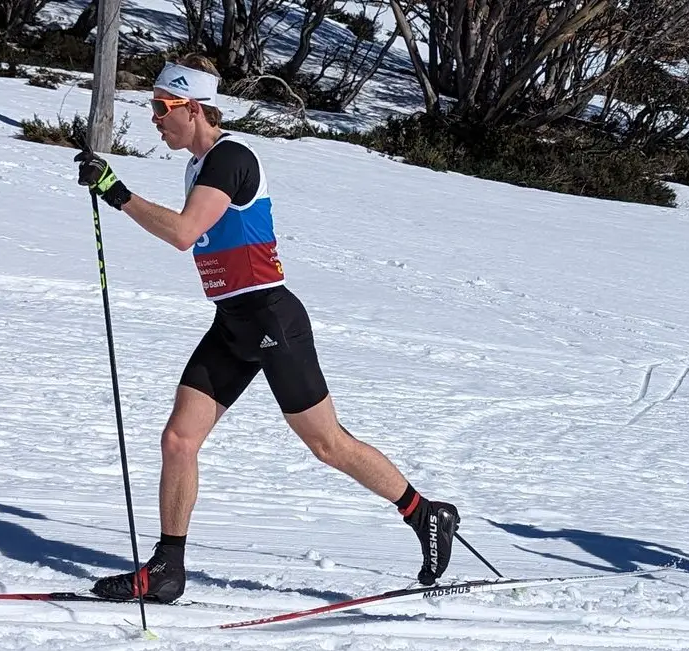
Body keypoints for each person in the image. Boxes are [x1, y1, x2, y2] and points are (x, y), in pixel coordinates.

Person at [74, 54, 460, 603]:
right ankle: (167, 569)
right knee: (178, 440)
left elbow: (185, 233)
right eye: (154, 107)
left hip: (272, 319)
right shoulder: (198, 166)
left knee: (327, 444)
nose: (155, 118)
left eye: (162, 108)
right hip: (233, 322)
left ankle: (425, 513)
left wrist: (117, 193)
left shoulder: (232, 158)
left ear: (195, 108)